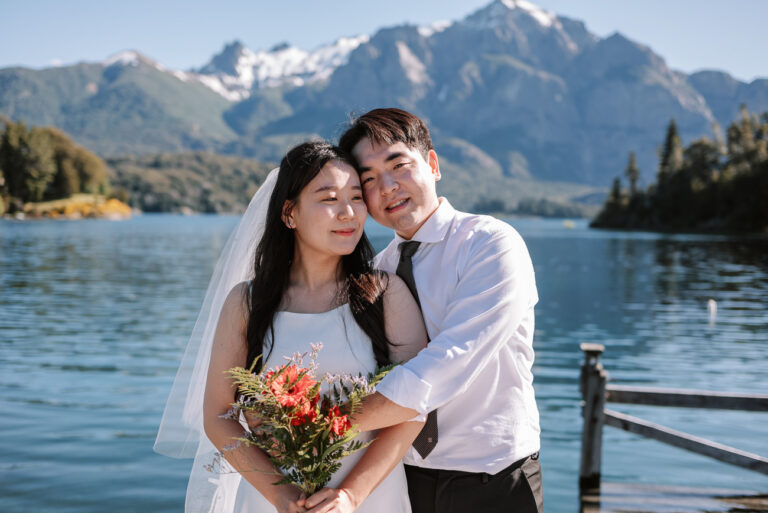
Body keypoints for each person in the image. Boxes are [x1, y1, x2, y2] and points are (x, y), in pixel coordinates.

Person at [154, 141, 428, 513]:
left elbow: (415, 408)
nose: (348, 212)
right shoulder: (248, 302)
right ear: (289, 214)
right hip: (271, 501)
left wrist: (350, 495)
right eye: (329, 198)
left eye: (356, 197)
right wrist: (281, 496)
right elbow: (219, 416)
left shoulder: (385, 294)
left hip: (372, 498)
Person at [301, 108, 542, 513]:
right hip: (400, 479)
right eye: (369, 179)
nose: (388, 187)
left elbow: (450, 361)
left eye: (399, 166)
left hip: (494, 479)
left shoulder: (490, 244)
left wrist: (326, 421)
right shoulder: (376, 274)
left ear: (432, 164)